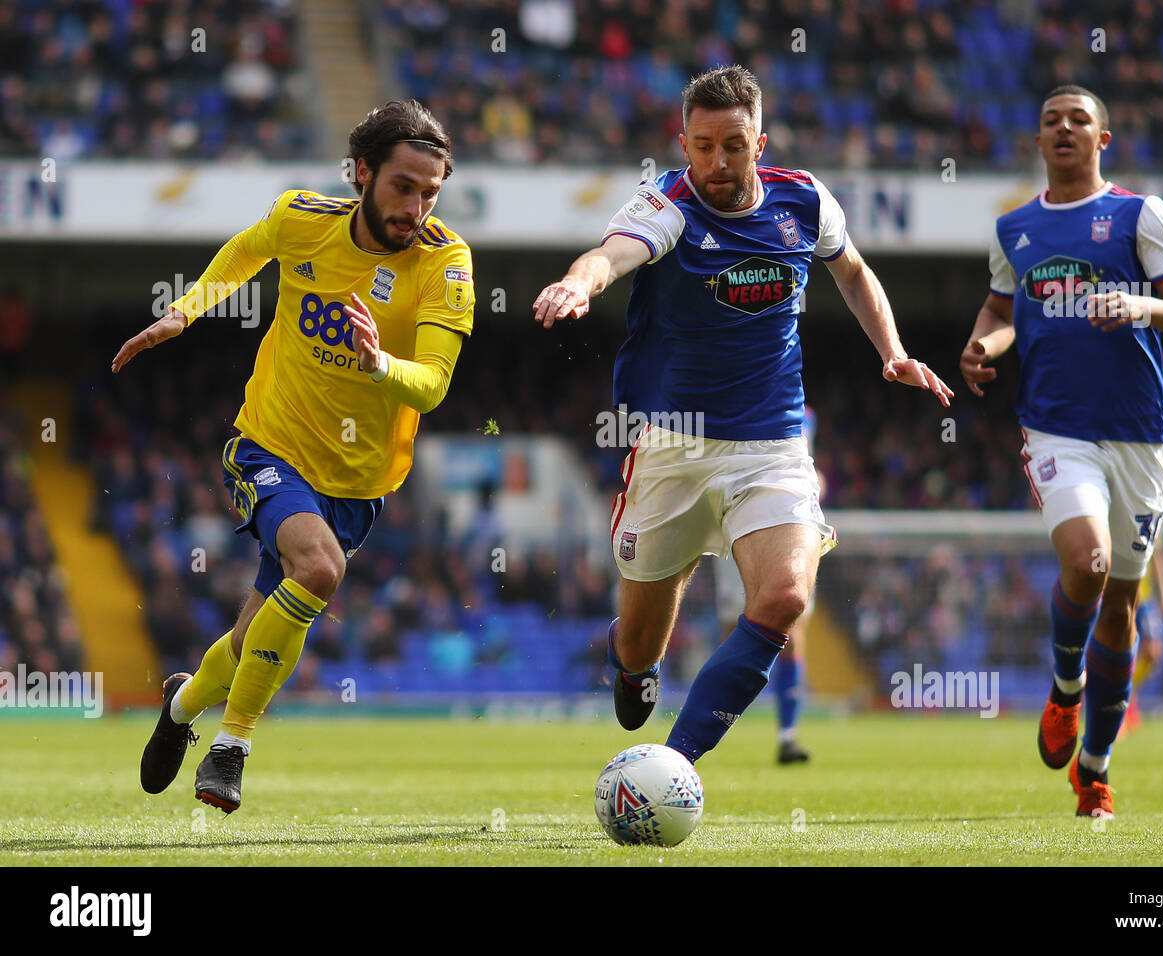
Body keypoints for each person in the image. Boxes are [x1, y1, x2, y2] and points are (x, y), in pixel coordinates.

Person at [533, 65, 952, 766]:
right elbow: (611, 257)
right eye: (702, 146)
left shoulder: (806, 202)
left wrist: (893, 351)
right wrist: (577, 283)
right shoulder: (665, 205)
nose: (716, 162)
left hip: (774, 444)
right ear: (683, 142)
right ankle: (634, 665)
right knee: (640, 646)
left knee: (786, 596)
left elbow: (850, 269)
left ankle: (673, 766)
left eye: (733, 145)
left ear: (762, 142)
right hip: (674, 445)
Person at [114, 99, 475, 813]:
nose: (416, 207)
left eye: (430, 192)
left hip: (359, 483)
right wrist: (187, 309)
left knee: (254, 639)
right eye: (403, 187)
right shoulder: (303, 218)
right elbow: (248, 250)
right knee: (318, 569)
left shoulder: (446, 261)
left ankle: (182, 705)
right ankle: (232, 747)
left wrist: (380, 366)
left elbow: (431, 387)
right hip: (269, 446)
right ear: (363, 174)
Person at [960, 85, 1163, 819]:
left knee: (1123, 610)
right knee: (1088, 563)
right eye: (1050, 120)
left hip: (1138, 434)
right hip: (1056, 428)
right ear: (1037, 140)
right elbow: (1004, 310)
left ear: (1104, 140)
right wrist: (984, 345)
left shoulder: (1141, 215)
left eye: (1079, 121)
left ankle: (1094, 770)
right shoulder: (1015, 229)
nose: (1063, 129)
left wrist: (1143, 305)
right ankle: (1065, 687)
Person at [711, 404, 822, 764]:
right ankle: (710, 726)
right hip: (740, 521)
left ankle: (788, 736)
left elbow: (811, 468)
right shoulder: (731, 399)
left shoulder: (805, 415)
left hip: (792, 520)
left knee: (793, 632)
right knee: (733, 631)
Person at [1120, 541, 1163, 736]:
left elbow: (1158, 554)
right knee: (1121, 652)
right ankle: (1117, 707)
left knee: (1154, 654)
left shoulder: (1148, 511)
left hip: (1145, 597)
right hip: (1120, 594)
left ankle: (1127, 694)